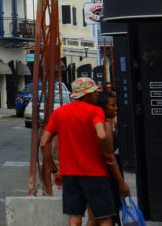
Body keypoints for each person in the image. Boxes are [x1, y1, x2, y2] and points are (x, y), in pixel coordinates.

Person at [39, 78, 130, 226]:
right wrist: (107, 153)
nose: (96, 95)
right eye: (94, 92)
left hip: (69, 174)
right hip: (95, 174)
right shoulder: (96, 111)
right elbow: (101, 135)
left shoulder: (59, 112)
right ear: (86, 94)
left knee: (74, 218)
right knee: (105, 218)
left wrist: (54, 171)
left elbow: (43, 144)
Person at [85, 90, 123, 226]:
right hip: (106, 175)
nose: (116, 107)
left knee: (94, 218)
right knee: (108, 216)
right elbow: (109, 156)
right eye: (112, 105)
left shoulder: (94, 122)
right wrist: (121, 182)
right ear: (103, 107)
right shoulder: (105, 124)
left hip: (93, 173)